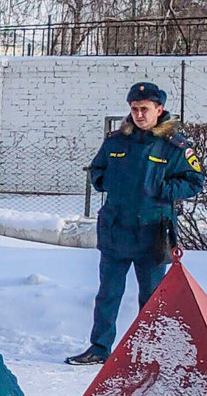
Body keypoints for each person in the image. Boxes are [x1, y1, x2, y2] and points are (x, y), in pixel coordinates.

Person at [66, 82, 204, 366]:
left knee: (151, 297)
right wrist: (105, 182)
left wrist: (162, 189)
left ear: (159, 110)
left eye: (145, 109)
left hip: (152, 233)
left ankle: (149, 352)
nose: (139, 114)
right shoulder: (116, 141)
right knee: (108, 294)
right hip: (116, 231)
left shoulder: (174, 146)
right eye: (134, 109)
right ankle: (99, 347)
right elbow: (98, 168)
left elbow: (194, 182)